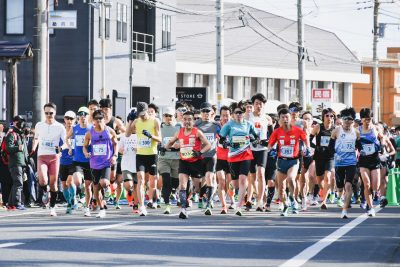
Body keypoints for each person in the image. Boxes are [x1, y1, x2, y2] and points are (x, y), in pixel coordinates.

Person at [165, 111, 211, 219]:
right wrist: (169, 146)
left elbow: (208, 145)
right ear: (182, 120)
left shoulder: (197, 132)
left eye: (189, 119)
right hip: (184, 162)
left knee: (197, 189)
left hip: (196, 162)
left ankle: (201, 194)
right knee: (182, 185)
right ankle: (183, 209)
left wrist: (200, 152)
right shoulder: (179, 132)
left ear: (193, 121)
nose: (187, 122)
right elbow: (169, 144)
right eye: (185, 119)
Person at [268, 108, 311, 216]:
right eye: (282, 117)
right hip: (281, 161)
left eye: (287, 116)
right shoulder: (277, 132)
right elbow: (270, 144)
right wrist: (271, 150)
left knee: (291, 178)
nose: (285, 119)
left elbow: (306, 139)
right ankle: (285, 205)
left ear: (290, 118)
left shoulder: (297, 130)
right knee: (281, 188)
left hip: (293, 161)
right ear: (279, 119)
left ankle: (292, 198)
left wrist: (307, 148)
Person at [219, 103, 259, 216]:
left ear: (243, 113)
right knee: (235, 184)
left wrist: (255, 141)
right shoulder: (229, 125)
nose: (238, 114)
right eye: (236, 113)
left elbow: (256, 137)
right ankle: (231, 187)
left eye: (240, 112)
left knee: (243, 180)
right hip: (233, 156)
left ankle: (239, 206)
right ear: (232, 114)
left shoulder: (248, 124)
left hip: (246, 154)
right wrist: (225, 142)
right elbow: (221, 139)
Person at [125, 102, 161, 216]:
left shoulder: (155, 121)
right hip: (140, 155)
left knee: (151, 181)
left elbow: (160, 139)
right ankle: (142, 206)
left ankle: (152, 199)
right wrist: (130, 121)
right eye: (139, 114)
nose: (141, 116)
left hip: (152, 154)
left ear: (147, 110)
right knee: (140, 179)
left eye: (143, 114)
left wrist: (151, 136)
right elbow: (126, 135)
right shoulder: (137, 121)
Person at [32, 102, 66, 216]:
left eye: (51, 113)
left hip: (54, 157)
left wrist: (60, 148)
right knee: (43, 181)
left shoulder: (60, 127)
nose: (48, 115)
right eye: (46, 113)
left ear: (55, 113)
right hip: (42, 156)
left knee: (54, 184)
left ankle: (52, 207)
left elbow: (66, 142)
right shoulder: (39, 125)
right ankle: (45, 191)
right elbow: (36, 138)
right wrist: (34, 147)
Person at [83, 110, 118, 218]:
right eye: (96, 119)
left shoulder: (109, 131)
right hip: (94, 163)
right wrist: (86, 153)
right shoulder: (90, 133)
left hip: (106, 162)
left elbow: (116, 143)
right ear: (93, 120)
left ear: (104, 120)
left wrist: (115, 155)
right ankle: (102, 208)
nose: (98, 121)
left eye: (100, 118)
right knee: (96, 188)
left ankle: (107, 188)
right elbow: (84, 146)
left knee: (104, 182)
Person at [329, 107, 362, 219]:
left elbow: (359, 147)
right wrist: (334, 154)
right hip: (339, 163)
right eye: (346, 119)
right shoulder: (336, 131)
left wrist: (363, 152)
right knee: (340, 186)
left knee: (348, 185)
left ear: (353, 120)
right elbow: (330, 147)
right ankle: (339, 195)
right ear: (342, 119)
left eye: (350, 119)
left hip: (351, 162)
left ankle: (344, 210)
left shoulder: (356, 132)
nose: (348, 121)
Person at [99, 98, 126, 209]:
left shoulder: (115, 121)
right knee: (104, 179)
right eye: (103, 109)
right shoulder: (98, 120)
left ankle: (117, 201)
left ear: (111, 109)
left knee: (117, 179)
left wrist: (115, 136)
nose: (105, 111)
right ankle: (102, 200)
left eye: (107, 109)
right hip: (102, 153)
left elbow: (126, 133)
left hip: (115, 152)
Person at [195, 102, 221, 215]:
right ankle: (200, 196)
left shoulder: (216, 125)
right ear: (200, 113)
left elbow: (222, 136)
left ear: (212, 113)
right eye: (203, 111)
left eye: (208, 111)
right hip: (199, 156)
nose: (206, 113)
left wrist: (225, 141)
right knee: (198, 183)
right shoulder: (196, 125)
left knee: (210, 178)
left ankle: (208, 203)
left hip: (211, 155)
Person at [67, 106, 93, 217]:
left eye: (85, 115)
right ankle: (80, 193)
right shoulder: (74, 128)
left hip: (89, 160)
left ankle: (87, 207)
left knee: (88, 186)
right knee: (77, 181)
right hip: (77, 160)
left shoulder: (92, 128)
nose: (83, 117)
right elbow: (66, 138)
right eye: (80, 115)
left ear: (88, 116)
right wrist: (69, 147)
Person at [246, 93, 270, 211]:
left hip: (262, 150)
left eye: (260, 104)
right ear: (253, 104)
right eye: (256, 103)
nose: (258, 106)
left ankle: (260, 202)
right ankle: (258, 195)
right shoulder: (247, 117)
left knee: (261, 173)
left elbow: (271, 135)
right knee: (252, 177)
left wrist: (267, 142)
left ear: (263, 105)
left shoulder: (267, 118)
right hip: (250, 149)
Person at [357, 108, 382, 217]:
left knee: (375, 186)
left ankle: (372, 195)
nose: (368, 121)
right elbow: (354, 143)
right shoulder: (357, 130)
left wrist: (383, 151)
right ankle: (370, 207)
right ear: (361, 119)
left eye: (370, 119)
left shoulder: (376, 128)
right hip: (363, 160)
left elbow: (383, 139)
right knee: (366, 184)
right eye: (366, 119)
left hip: (374, 159)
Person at [311, 108, 336, 210]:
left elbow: (338, 143)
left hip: (330, 157)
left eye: (331, 116)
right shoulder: (318, 127)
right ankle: (326, 191)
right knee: (320, 181)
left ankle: (324, 201)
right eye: (327, 116)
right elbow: (309, 139)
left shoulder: (335, 129)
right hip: (319, 156)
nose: (329, 118)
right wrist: (315, 147)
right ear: (323, 117)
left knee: (328, 177)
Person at [158, 107, 181, 214]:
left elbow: (184, 142)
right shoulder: (159, 128)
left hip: (176, 158)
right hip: (164, 158)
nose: (168, 118)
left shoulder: (178, 128)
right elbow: (156, 140)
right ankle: (167, 205)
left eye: (170, 116)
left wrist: (179, 145)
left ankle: (174, 191)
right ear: (163, 117)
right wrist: (159, 146)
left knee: (175, 182)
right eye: (166, 116)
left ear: (174, 116)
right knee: (166, 180)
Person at [6, 115, 29, 210]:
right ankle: (17, 203)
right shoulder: (12, 134)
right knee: (19, 183)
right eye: (20, 121)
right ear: (15, 122)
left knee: (16, 183)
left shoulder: (21, 135)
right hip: (15, 163)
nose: (22, 123)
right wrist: (18, 148)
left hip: (21, 162)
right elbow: (8, 148)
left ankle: (11, 204)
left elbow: (25, 151)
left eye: (23, 121)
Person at [216, 106, 235, 214]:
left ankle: (232, 200)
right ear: (220, 117)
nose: (225, 117)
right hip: (219, 159)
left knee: (230, 182)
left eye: (227, 115)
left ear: (230, 116)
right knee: (221, 181)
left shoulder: (234, 127)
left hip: (231, 158)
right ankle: (224, 206)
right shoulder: (217, 127)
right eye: (223, 115)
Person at [119, 109, 139, 213]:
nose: (134, 126)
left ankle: (136, 205)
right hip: (126, 164)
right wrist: (121, 150)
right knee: (128, 185)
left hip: (137, 164)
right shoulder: (124, 136)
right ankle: (129, 193)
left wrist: (138, 149)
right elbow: (119, 149)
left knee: (136, 186)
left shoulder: (141, 135)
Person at [60, 111, 78, 214]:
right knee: (64, 185)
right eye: (67, 118)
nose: (69, 121)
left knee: (69, 181)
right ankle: (69, 203)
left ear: (75, 119)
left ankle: (74, 198)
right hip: (63, 161)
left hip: (73, 160)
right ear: (64, 119)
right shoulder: (61, 131)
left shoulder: (77, 130)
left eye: (71, 119)